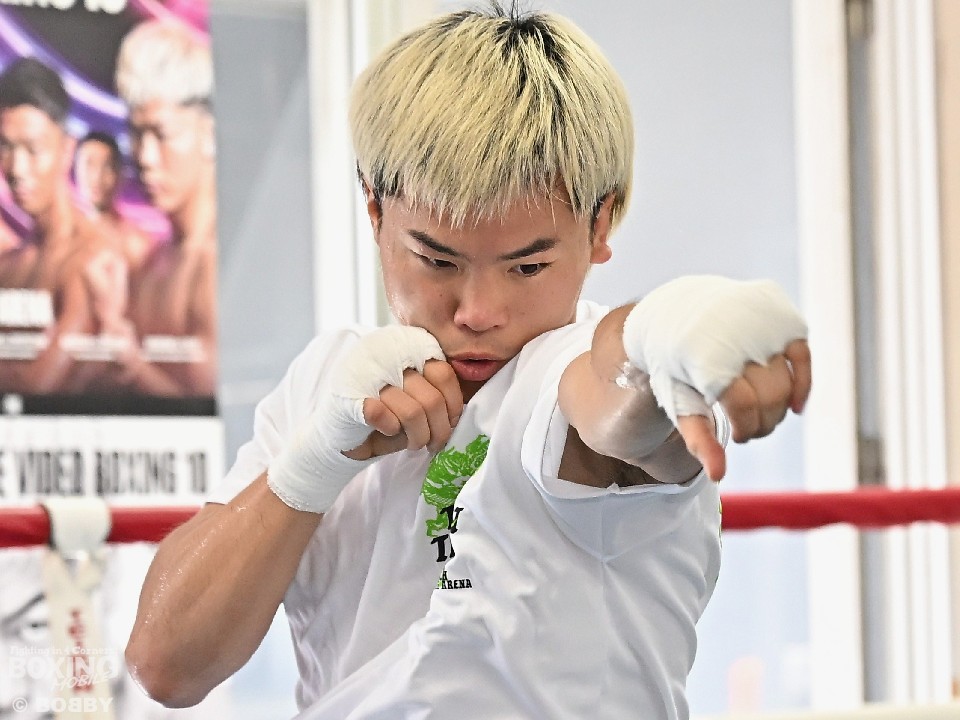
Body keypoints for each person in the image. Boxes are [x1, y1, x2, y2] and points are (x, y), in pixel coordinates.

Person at [125, 6, 812, 719]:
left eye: (528, 267)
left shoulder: (563, 368)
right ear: (374, 211)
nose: (479, 311)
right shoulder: (328, 379)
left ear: (600, 224)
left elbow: (613, 397)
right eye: (437, 260)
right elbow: (166, 665)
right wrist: (313, 464)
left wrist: (664, 333)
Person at [106, 19, 217, 397]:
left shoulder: (214, 263)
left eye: (162, 134)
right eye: (137, 134)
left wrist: (130, 364)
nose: (145, 157)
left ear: (209, 133)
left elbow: (221, 408)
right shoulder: (151, 263)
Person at [0, 57, 125, 395]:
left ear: (67, 149)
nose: (17, 168)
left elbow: (38, 384)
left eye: (33, 149)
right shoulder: (10, 261)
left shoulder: (90, 259)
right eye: (6, 147)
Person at [73, 131, 153, 273]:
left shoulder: (134, 243)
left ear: (120, 174)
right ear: (76, 169)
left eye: (107, 166)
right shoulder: (63, 234)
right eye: (89, 164)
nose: (97, 176)